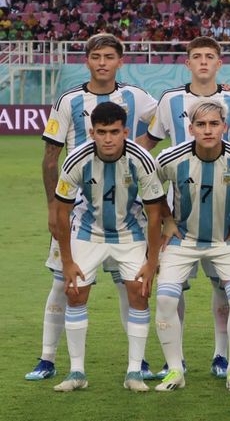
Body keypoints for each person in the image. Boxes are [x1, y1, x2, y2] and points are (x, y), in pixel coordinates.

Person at [28, 33, 157, 381]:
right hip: (77, 207)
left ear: (120, 61)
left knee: (127, 285)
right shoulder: (69, 100)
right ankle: (47, 358)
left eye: (109, 56)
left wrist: (142, 147)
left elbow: (169, 115)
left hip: (126, 208)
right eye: (96, 56)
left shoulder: (136, 97)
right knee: (63, 283)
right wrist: (53, 205)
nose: (102, 62)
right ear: (87, 60)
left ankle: (138, 363)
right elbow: (51, 156)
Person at [136, 36, 230, 379]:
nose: (202, 62)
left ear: (219, 62)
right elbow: (148, 144)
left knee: (222, 287)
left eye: (209, 57)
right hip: (180, 209)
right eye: (196, 56)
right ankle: (177, 360)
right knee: (175, 287)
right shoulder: (170, 100)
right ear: (187, 63)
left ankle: (220, 354)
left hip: (223, 208)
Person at [51, 102, 164, 391]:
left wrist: (152, 261)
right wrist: (67, 261)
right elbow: (60, 213)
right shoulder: (76, 159)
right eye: (102, 132)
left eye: (115, 132)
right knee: (75, 293)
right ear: (92, 133)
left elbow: (154, 215)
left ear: (126, 131)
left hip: (131, 233)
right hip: (89, 231)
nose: (108, 138)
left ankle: (134, 372)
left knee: (139, 295)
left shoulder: (142, 160)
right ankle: (77, 373)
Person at [153, 99, 230, 392]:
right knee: (166, 300)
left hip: (225, 241)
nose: (208, 130)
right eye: (201, 124)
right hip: (182, 240)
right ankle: (174, 370)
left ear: (224, 126)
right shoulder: (171, 157)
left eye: (214, 124)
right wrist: (168, 219)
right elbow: (150, 185)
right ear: (191, 128)